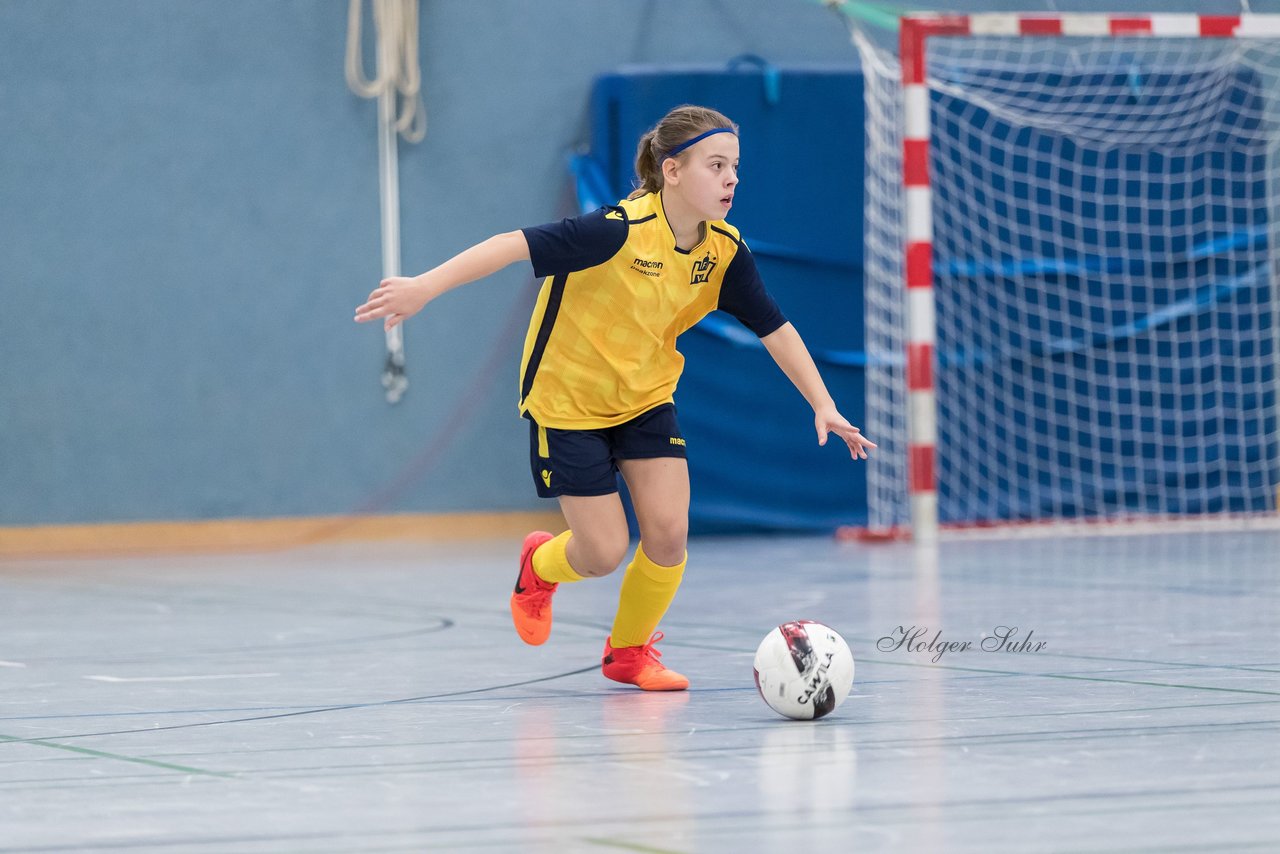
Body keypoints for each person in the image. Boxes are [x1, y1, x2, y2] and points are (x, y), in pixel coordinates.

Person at [354, 104, 875, 692]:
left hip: (646, 397)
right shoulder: (614, 232)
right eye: (716, 165)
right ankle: (539, 565)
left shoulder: (724, 252)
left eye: (735, 167)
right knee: (602, 552)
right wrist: (424, 286)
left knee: (669, 533)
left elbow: (774, 326)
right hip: (568, 401)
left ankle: (628, 653)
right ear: (672, 171)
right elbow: (511, 245)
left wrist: (822, 402)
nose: (731, 178)